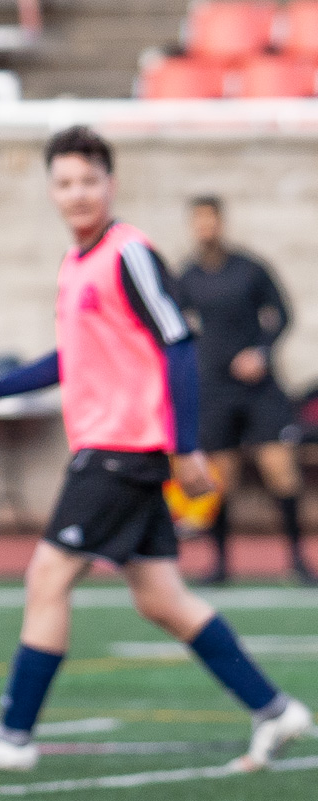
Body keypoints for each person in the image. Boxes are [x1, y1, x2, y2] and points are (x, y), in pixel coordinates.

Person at [0, 127, 311, 772]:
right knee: (160, 597)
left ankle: (13, 737)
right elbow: (74, 357)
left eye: (89, 180)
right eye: (65, 182)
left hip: (122, 448)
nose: (77, 193)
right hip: (116, 448)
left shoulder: (129, 253)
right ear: (51, 191)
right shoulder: (77, 263)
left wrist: (187, 446)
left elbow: (179, 342)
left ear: (111, 185)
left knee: (48, 577)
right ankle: (276, 711)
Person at [177, 195, 309, 585]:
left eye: (211, 220)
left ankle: (299, 562)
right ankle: (219, 565)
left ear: (221, 222)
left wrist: (261, 353)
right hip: (214, 392)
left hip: (259, 391)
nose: (206, 227)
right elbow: (176, 329)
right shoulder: (186, 276)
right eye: (198, 221)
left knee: (280, 470)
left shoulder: (249, 269)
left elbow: (282, 315)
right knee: (221, 479)